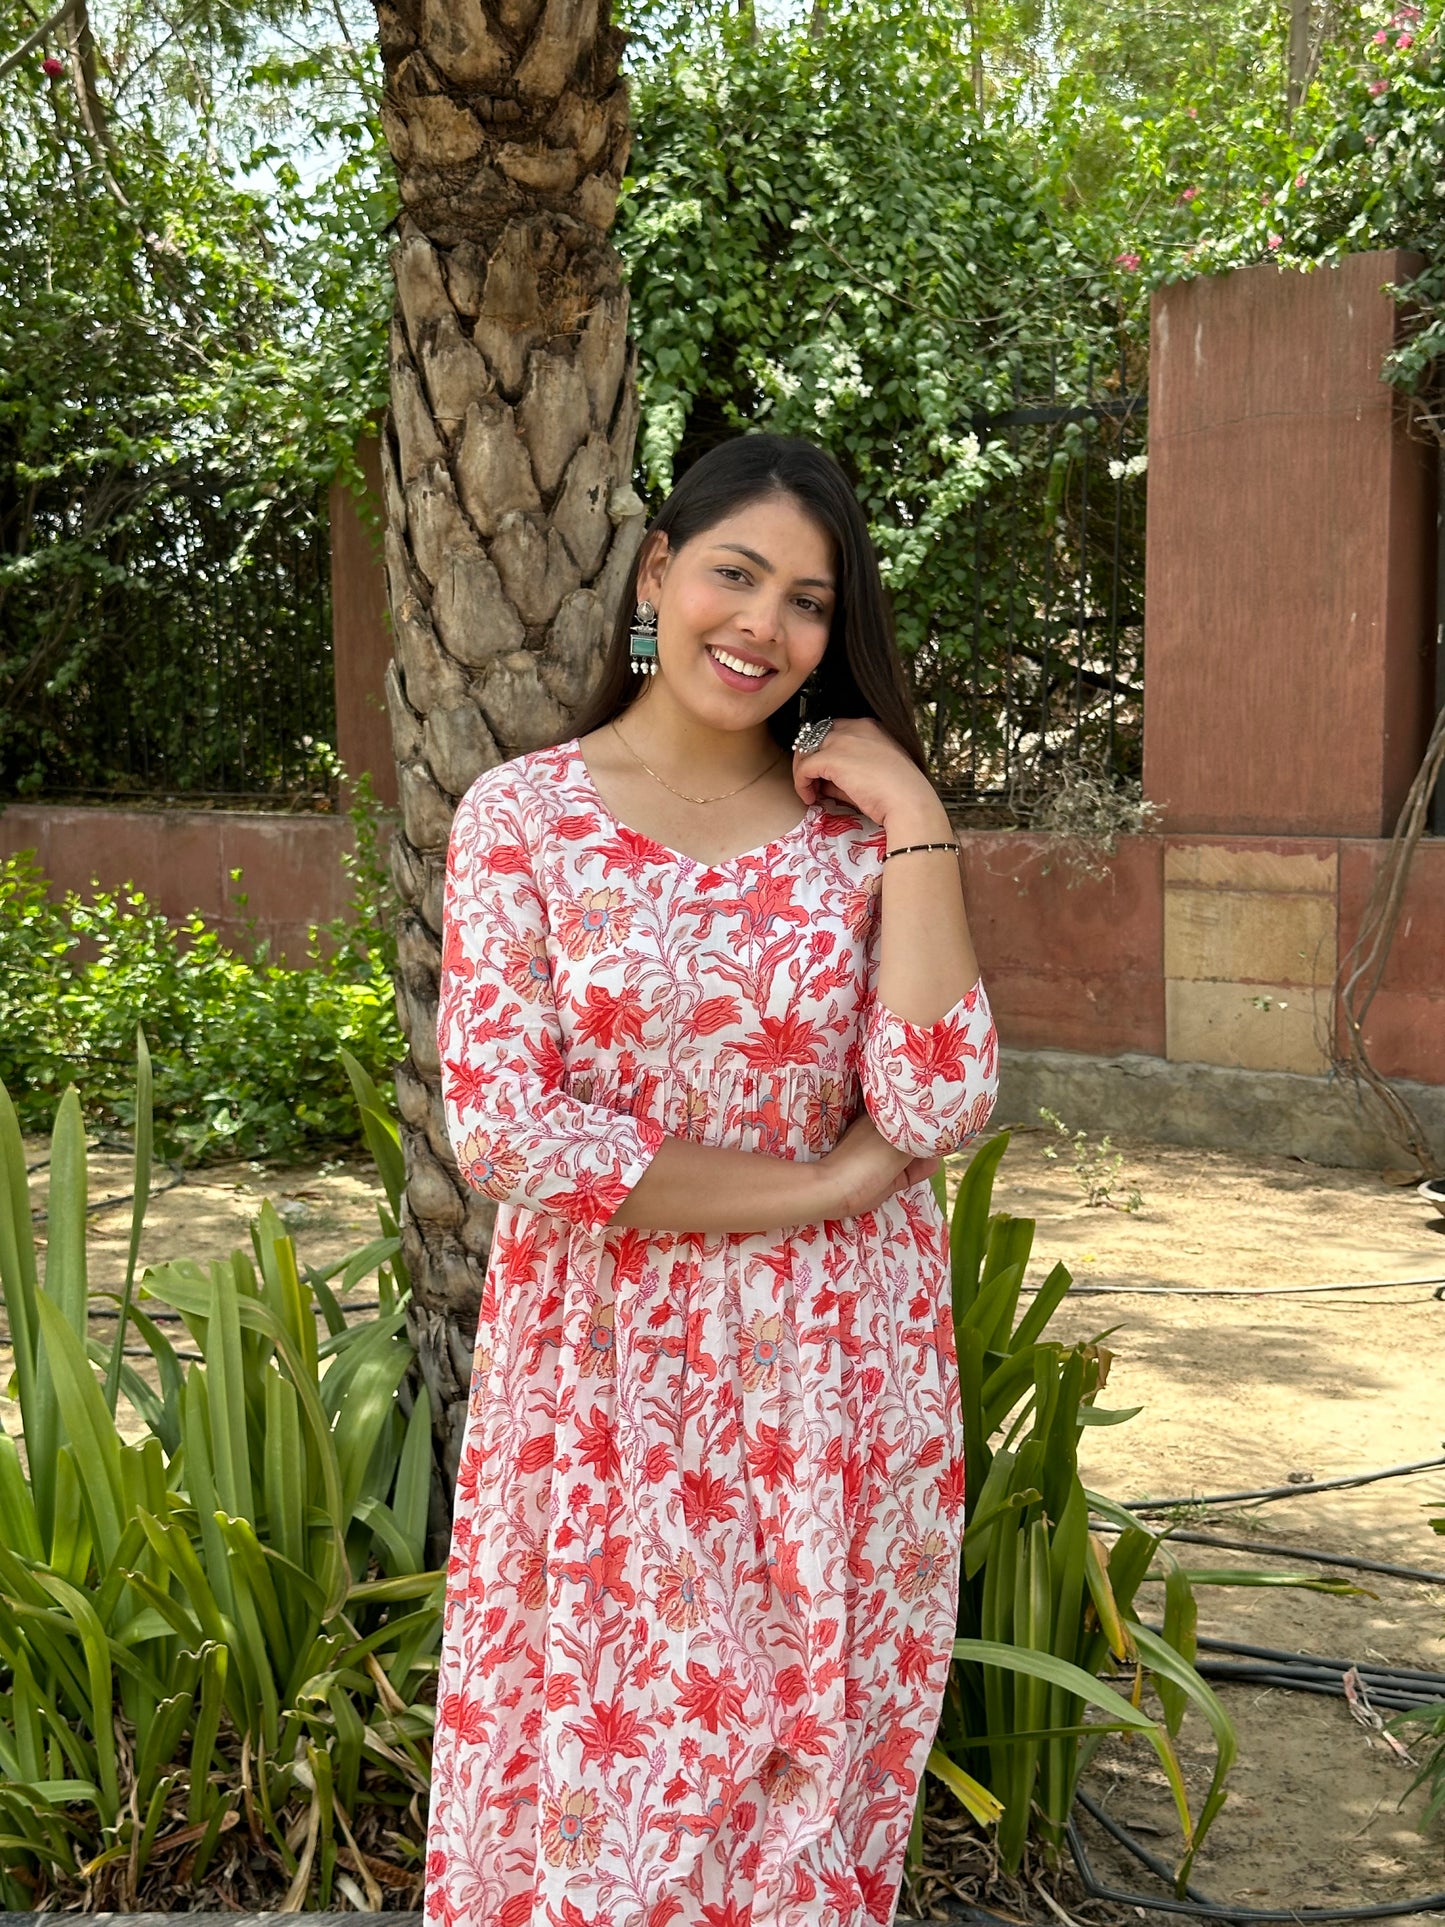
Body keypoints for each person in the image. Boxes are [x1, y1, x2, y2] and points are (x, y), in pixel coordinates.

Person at [425, 433, 999, 1927]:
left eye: (807, 602)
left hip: (835, 1385)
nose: (761, 626)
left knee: (803, 1794)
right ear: (656, 572)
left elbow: (938, 1095)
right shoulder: (523, 818)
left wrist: (914, 813)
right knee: (618, 1786)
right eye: (733, 575)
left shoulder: (850, 838)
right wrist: (815, 1190)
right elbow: (503, 1134)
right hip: (609, 1388)